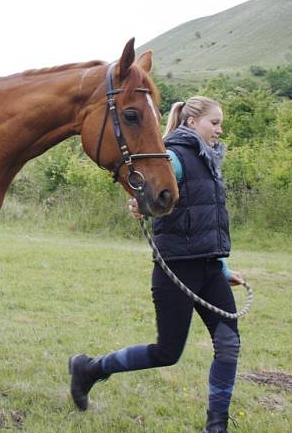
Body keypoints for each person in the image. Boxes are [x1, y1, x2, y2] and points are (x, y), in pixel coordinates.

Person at [68, 96, 247, 433]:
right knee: (168, 352)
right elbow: (152, 186)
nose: (220, 130)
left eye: (220, 123)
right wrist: (141, 204)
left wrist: (223, 269)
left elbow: (206, 221)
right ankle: (90, 369)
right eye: (215, 122)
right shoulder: (175, 155)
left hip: (208, 268)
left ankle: (217, 425)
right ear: (192, 123)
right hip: (175, 268)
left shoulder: (208, 160)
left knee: (229, 344)